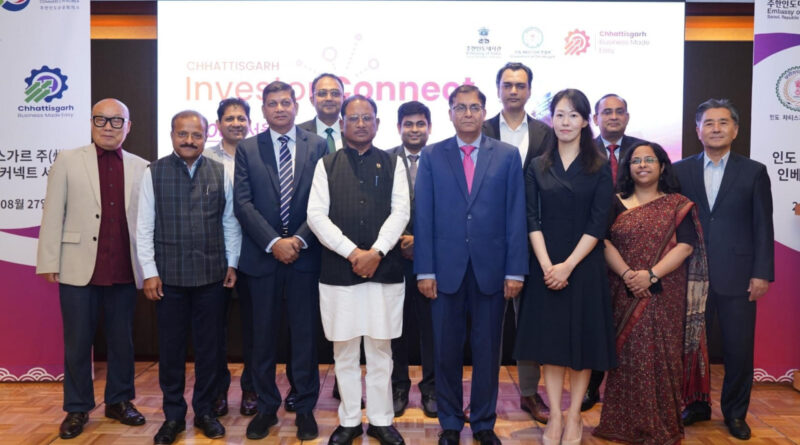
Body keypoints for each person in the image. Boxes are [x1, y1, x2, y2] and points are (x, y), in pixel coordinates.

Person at [414, 84, 528, 445]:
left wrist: (514, 270)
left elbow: (515, 215)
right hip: (444, 272)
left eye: (474, 108)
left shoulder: (507, 156)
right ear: (450, 113)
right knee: (445, 351)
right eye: (460, 108)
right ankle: (449, 422)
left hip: (491, 272)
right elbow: (424, 217)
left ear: (484, 112)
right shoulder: (432, 155)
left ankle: (483, 423)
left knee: (487, 351)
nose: (467, 114)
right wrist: (425, 270)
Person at [36, 98, 149, 440]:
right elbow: (53, 212)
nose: (108, 127)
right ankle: (77, 407)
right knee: (77, 342)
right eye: (101, 119)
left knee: (121, 341)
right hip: (77, 267)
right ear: (91, 123)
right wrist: (49, 261)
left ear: (128, 127)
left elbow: (146, 224)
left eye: (116, 121)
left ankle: (119, 401)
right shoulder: (68, 160)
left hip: (123, 268)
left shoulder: (142, 167)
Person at [514, 88, 616, 445]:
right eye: (560, 114)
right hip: (545, 265)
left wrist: (568, 266)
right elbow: (530, 218)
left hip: (584, 266)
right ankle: (555, 415)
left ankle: (575, 417)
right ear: (551, 119)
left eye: (574, 115)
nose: (566, 122)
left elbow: (599, 223)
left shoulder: (599, 167)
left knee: (582, 346)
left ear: (586, 121)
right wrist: (547, 266)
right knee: (552, 346)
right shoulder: (537, 166)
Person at [307, 95, 409, 445]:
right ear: (342, 124)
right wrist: (353, 253)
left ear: (377, 123)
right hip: (339, 272)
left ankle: (381, 420)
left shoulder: (393, 163)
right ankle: (349, 420)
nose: (361, 124)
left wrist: (376, 252)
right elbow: (315, 216)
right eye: (354, 118)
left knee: (381, 351)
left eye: (368, 118)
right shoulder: (326, 164)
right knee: (345, 351)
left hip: (385, 269)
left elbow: (401, 212)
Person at [593, 142, 709, 445]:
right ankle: (622, 424)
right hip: (624, 290)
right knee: (627, 357)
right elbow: (603, 242)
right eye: (636, 161)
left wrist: (651, 275)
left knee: (662, 357)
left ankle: (661, 425)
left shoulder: (677, 204)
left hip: (665, 292)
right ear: (628, 167)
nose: (642, 165)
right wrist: (628, 275)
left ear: (662, 166)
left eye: (649, 160)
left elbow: (685, 247)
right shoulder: (614, 203)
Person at [137, 110, 242, 444]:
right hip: (169, 278)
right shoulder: (154, 172)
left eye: (196, 135)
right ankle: (173, 416)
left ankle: (205, 412)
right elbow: (144, 227)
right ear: (172, 136)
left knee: (210, 350)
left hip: (212, 276)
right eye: (182, 134)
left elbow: (230, 222)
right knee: (171, 351)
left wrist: (232, 263)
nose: (189, 140)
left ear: (206, 136)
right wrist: (149, 272)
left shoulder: (220, 171)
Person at [674, 99, 774, 441]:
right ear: (697, 130)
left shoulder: (754, 171)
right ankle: (696, 406)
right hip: (691, 276)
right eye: (708, 123)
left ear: (735, 129)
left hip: (739, 275)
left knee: (738, 350)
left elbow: (763, 226)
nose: (715, 128)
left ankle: (735, 413)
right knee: (692, 348)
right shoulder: (680, 171)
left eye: (723, 122)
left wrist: (762, 273)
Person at [234, 81, 328, 440]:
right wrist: (274, 242)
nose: (279, 109)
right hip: (262, 259)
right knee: (262, 339)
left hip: (305, 258)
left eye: (285, 102)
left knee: (304, 338)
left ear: (296, 106)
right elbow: (243, 202)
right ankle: (266, 409)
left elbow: (323, 201)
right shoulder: (248, 148)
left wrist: (298, 240)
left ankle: (304, 409)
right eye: (272, 103)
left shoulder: (317, 145)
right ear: (263, 110)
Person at [482, 61, 553, 423]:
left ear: (529, 91)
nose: (513, 91)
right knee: (486, 325)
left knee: (529, 323)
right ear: (498, 90)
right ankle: (484, 397)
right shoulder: (480, 129)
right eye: (507, 85)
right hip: (487, 241)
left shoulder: (546, 133)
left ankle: (529, 393)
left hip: (534, 240)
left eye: (520, 85)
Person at [583, 93, 646, 411]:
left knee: (633, 321)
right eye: (606, 112)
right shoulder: (582, 150)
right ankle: (591, 387)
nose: (613, 117)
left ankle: (629, 390)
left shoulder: (643, 151)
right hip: (591, 245)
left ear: (627, 117)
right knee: (596, 318)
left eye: (619, 111)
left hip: (635, 246)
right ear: (595, 119)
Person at [204, 97, 257, 418]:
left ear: (249, 122)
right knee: (214, 329)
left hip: (254, 252)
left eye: (241, 118)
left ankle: (252, 388)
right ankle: (217, 392)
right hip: (215, 254)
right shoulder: (205, 157)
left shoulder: (259, 155)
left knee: (255, 327)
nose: (236, 123)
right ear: (219, 124)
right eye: (229, 118)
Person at [385, 101, 437, 418]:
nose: (414, 130)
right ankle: (399, 387)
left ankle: (431, 389)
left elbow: (450, 207)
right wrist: (400, 239)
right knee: (396, 328)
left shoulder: (442, 158)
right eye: (408, 124)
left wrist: (422, 241)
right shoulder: (385, 159)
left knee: (432, 328)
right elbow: (377, 207)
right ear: (399, 127)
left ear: (429, 127)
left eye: (420, 124)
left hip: (433, 259)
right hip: (393, 257)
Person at [299, 73, 346, 154]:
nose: (329, 98)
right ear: (312, 100)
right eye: (322, 93)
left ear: (343, 99)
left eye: (335, 93)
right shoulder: (298, 133)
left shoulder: (354, 131)